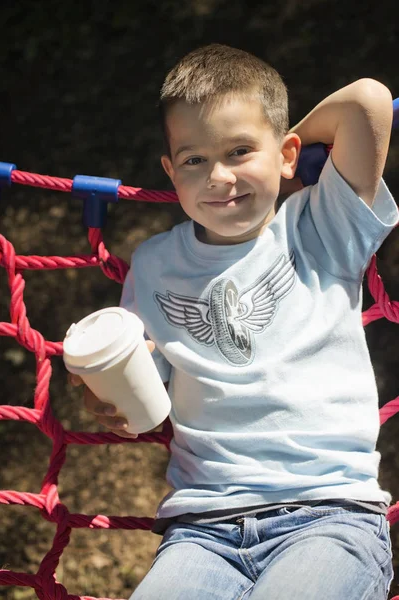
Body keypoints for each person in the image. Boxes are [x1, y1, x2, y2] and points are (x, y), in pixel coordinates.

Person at [70, 44, 399, 599]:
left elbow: (366, 101)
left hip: (328, 515)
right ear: (171, 173)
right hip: (202, 531)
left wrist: (275, 151)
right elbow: (147, 391)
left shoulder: (319, 225)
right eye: (195, 160)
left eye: (239, 150)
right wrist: (108, 400)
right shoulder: (154, 265)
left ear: (288, 153)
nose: (220, 177)